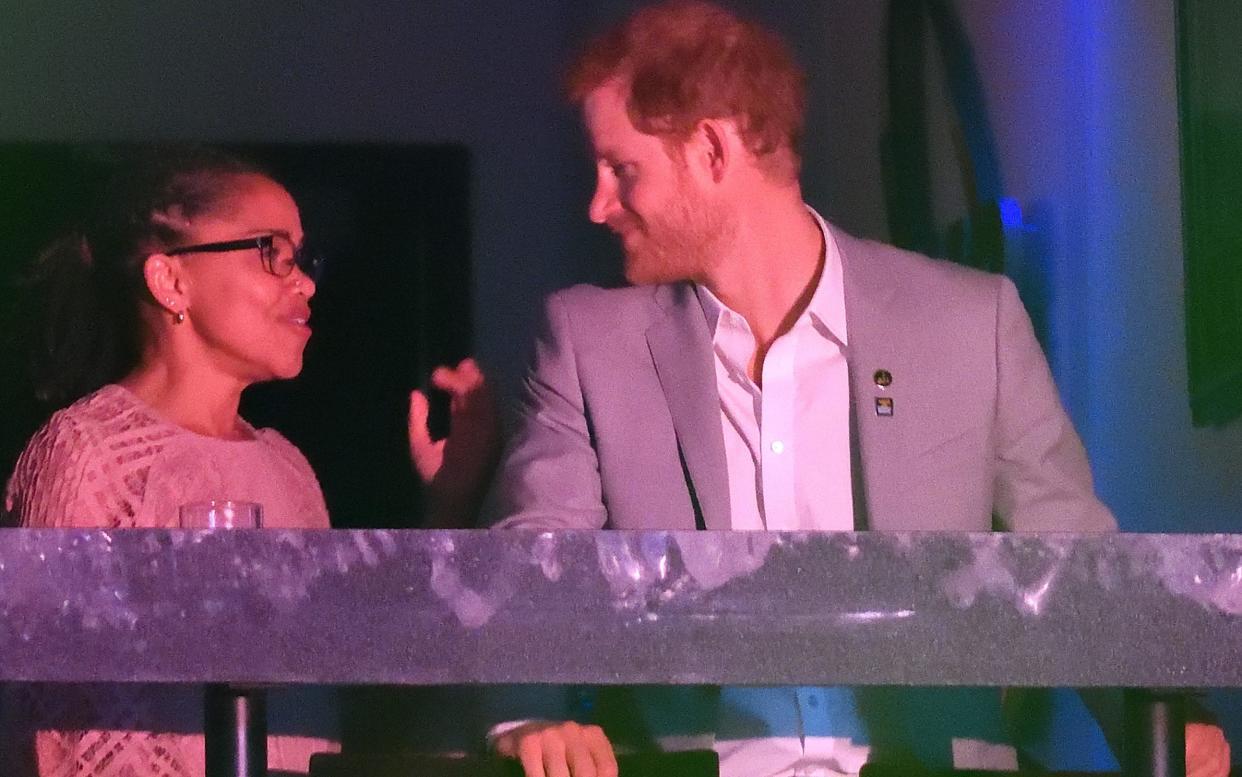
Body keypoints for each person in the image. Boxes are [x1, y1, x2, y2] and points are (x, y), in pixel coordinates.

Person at [480, 3, 1232, 777]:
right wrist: (529, 711)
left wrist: (1166, 723)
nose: (597, 205)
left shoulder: (972, 323)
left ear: (711, 149)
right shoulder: (585, 341)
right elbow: (531, 565)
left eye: (621, 169)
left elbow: (1074, 568)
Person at [0, 146, 489, 777]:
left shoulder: (289, 469)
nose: (305, 281)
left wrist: (449, 504)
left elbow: (349, 702)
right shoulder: (87, 451)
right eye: (271, 251)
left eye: (302, 256)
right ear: (170, 280)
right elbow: (54, 723)